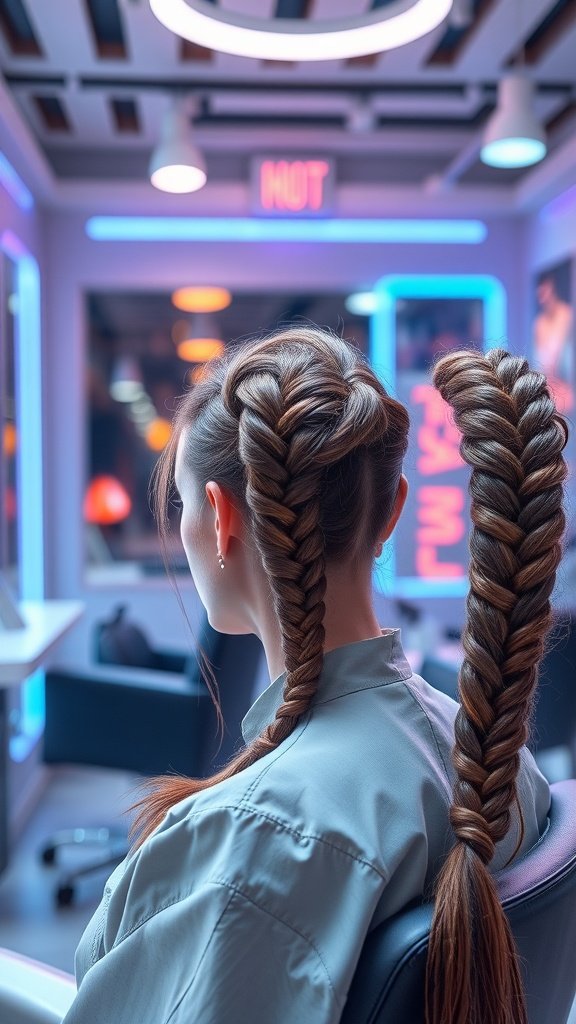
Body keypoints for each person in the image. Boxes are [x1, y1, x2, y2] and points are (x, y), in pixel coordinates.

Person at [62, 327, 567, 1024]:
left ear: (219, 518)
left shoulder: (257, 839)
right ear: (391, 512)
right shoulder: (498, 765)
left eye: (182, 505)